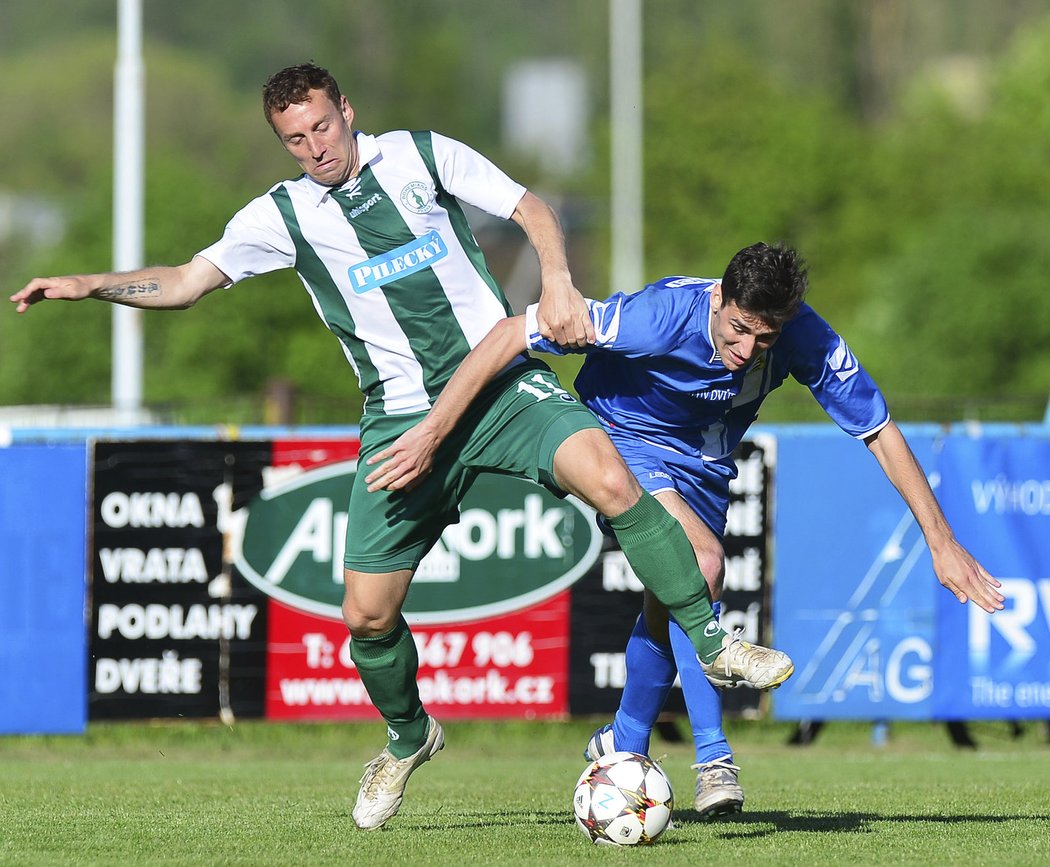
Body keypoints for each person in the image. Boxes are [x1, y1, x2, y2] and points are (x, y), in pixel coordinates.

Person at [9, 64, 796, 830]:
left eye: (321, 126)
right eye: (294, 138)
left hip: (499, 388)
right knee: (366, 613)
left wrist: (555, 277)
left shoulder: (423, 155)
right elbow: (184, 280)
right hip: (398, 421)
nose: (314, 147)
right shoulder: (282, 216)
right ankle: (407, 734)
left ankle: (712, 639)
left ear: (345, 110)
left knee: (610, 475)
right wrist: (88, 285)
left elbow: (530, 208)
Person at [362, 241, 1004, 819]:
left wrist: (941, 542)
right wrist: (434, 429)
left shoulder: (804, 335)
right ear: (718, 299)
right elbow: (509, 334)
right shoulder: (657, 317)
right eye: (738, 329)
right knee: (701, 566)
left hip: (706, 462)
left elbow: (879, 431)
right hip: (624, 439)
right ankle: (708, 754)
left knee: (672, 601)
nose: (747, 350)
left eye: (766, 337)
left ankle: (623, 749)